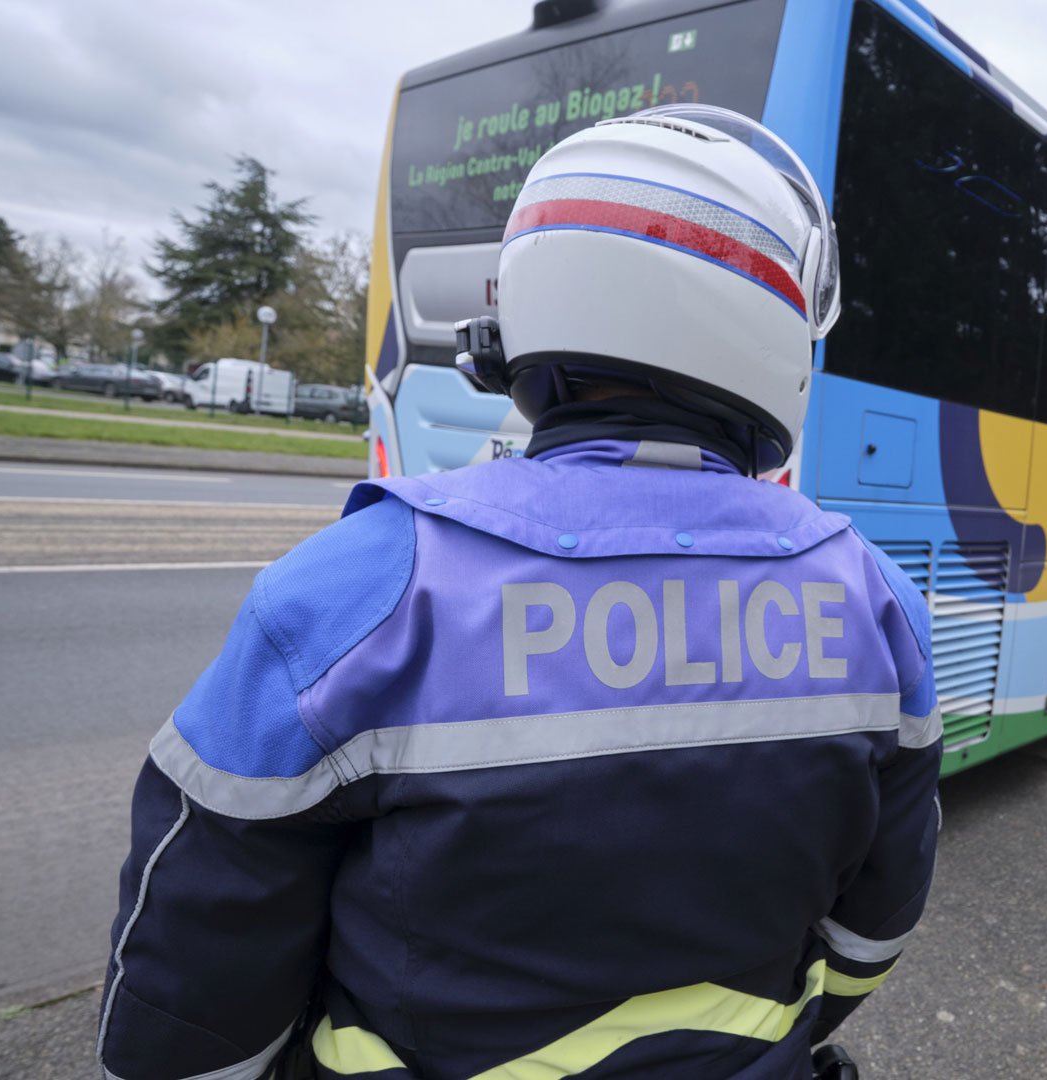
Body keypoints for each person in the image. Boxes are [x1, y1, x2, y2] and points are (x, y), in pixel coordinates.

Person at [97, 105, 940, 1080]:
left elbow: (191, 983)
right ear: (776, 333)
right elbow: (873, 930)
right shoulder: (879, 605)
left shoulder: (355, 587)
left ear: (529, 307)